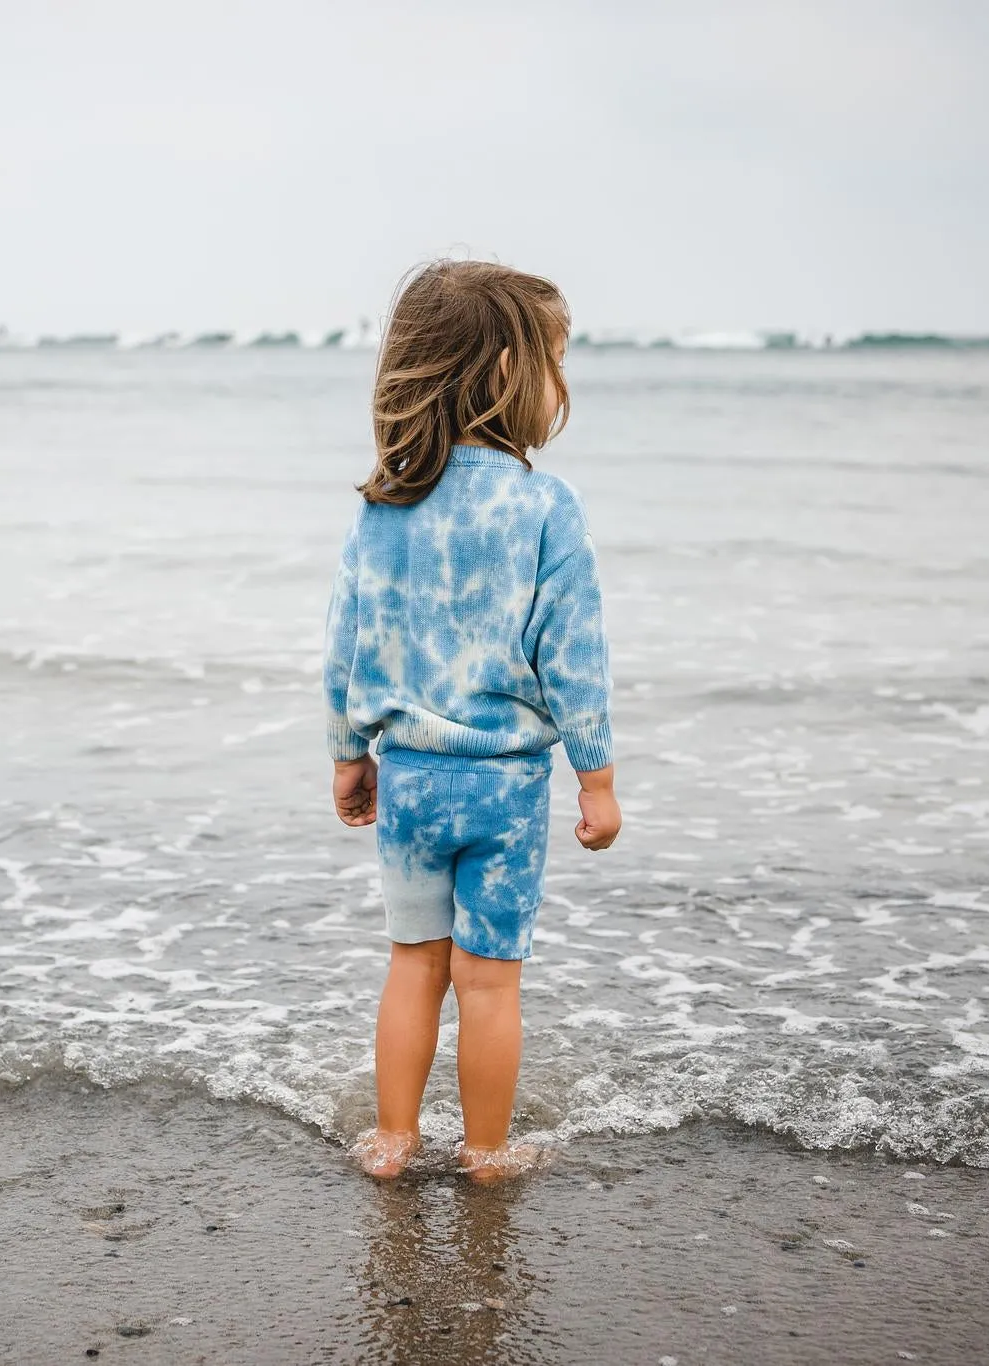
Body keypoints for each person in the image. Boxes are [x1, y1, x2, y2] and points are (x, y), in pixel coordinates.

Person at [323, 259, 621, 1183]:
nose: (560, 385)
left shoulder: (385, 505)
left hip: (412, 777)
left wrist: (347, 753)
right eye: (553, 362)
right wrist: (598, 778)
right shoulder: (542, 506)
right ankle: (487, 1153)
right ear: (503, 375)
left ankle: (394, 1141)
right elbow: (575, 655)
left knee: (413, 964)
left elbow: (347, 644)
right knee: (488, 982)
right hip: (506, 786)